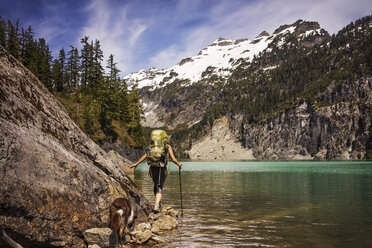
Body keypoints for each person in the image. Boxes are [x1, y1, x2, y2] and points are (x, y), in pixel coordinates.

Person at [130, 130, 182, 212]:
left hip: (152, 168)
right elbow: (174, 160)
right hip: (162, 168)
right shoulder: (167, 147)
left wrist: (136, 164)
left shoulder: (151, 147)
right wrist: (179, 164)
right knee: (160, 186)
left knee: (156, 185)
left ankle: (158, 204)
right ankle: (157, 205)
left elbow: (146, 155)